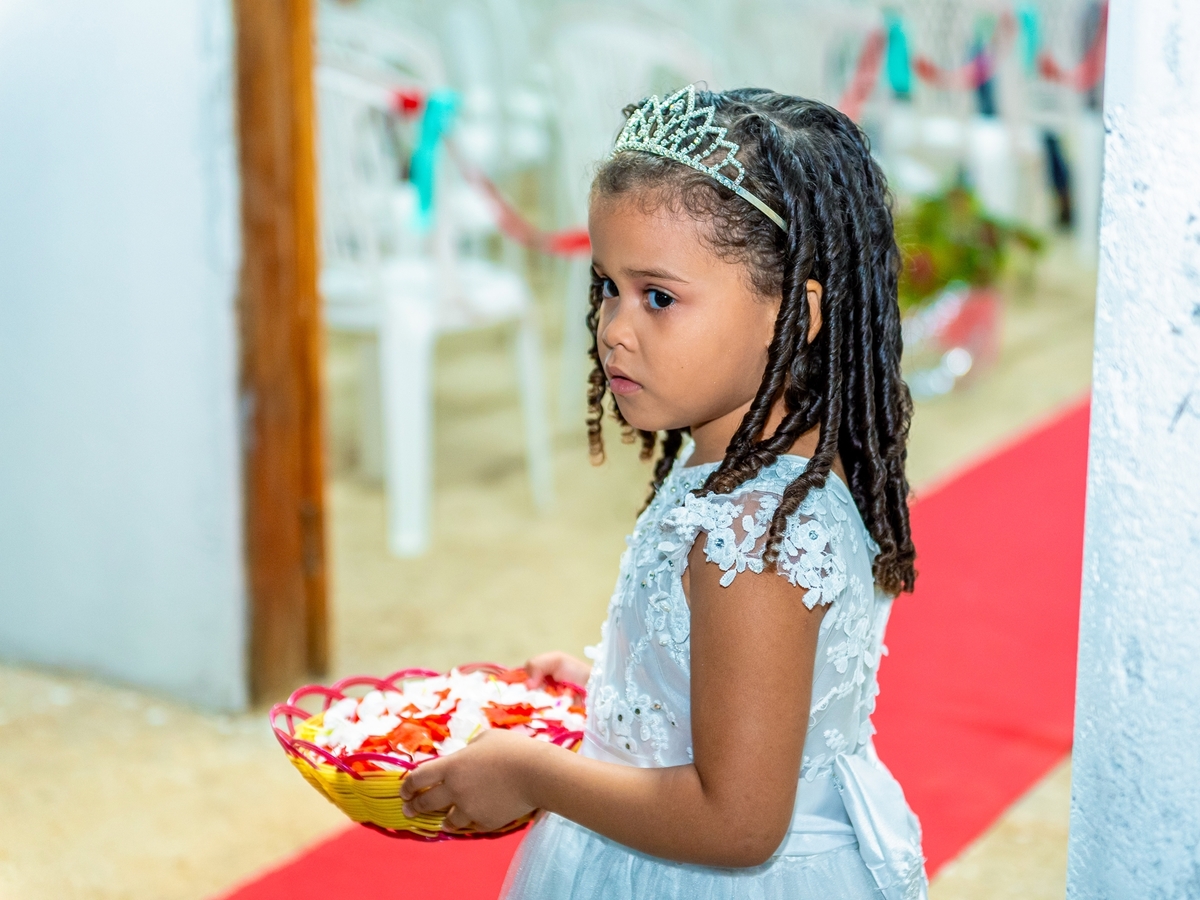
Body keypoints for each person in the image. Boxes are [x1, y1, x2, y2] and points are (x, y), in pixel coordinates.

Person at [400, 85, 927, 900]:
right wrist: (616, 695)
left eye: (658, 296)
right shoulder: (753, 472)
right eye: (607, 285)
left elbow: (738, 823)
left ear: (795, 313)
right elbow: (743, 697)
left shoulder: (755, 535)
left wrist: (533, 773)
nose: (614, 326)